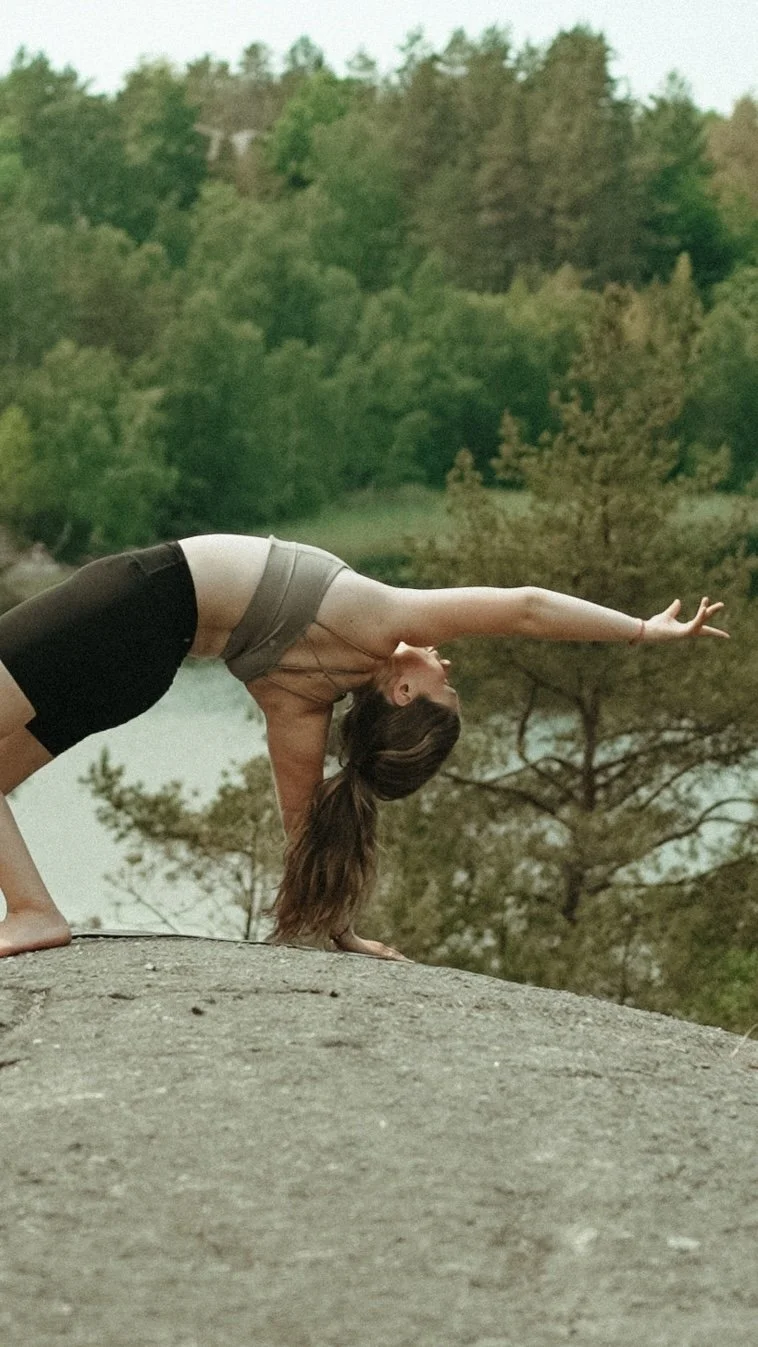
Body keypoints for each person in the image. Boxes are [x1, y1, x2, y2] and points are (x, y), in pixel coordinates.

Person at [0, 533, 728, 961]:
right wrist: (337, 926)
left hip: (131, 603)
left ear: (404, 692)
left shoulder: (381, 617)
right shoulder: (302, 701)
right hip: (143, 667)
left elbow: (527, 607)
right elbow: (304, 832)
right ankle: (35, 909)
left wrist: (641, 629)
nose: (447, 663)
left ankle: (35, 914)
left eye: (447, 684)